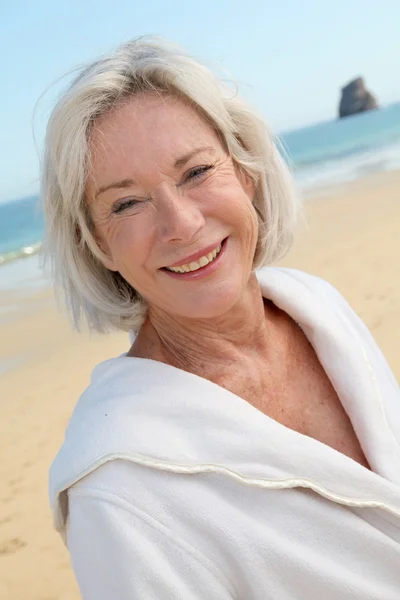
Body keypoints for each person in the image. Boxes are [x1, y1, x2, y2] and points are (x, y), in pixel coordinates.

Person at [45, 37, 400, 599]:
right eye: (126, 203)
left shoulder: (318, 306)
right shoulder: (119, 495)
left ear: (246, 173)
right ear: (97, 246)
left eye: (196, 172)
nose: (181, 224)